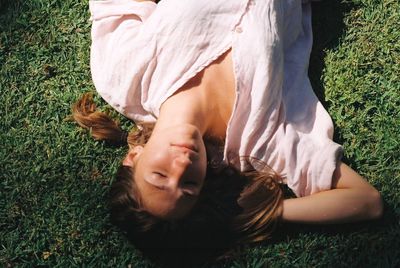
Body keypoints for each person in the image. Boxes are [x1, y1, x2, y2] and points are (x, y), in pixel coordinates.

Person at [73, 0, 383, 256]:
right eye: (189, 186)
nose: (182, 165)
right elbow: (366, 201)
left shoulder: (124, 79)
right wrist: (260, 214)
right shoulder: (259, 140)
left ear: (134, 157)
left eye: (160, 175)